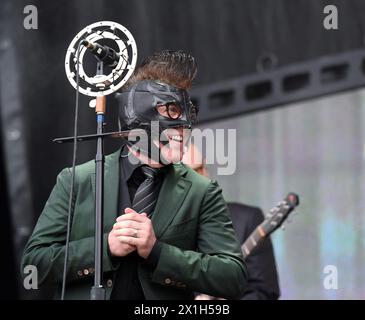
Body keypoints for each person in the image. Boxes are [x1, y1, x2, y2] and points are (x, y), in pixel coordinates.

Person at [21, 50, 247, 300]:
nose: (183, 127)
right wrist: (105, 248)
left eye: (186, 114)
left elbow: (233, 277)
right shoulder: (77, 180)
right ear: (137, 116)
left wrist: (158, 252)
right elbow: (33, 266)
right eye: (171, 111)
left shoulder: (202, 191)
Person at [183, 144, 280, 300]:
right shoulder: (158, 231)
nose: (200, 179)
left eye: (201, 168)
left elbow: (265, 291)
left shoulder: (247, 219)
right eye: (187, 174)